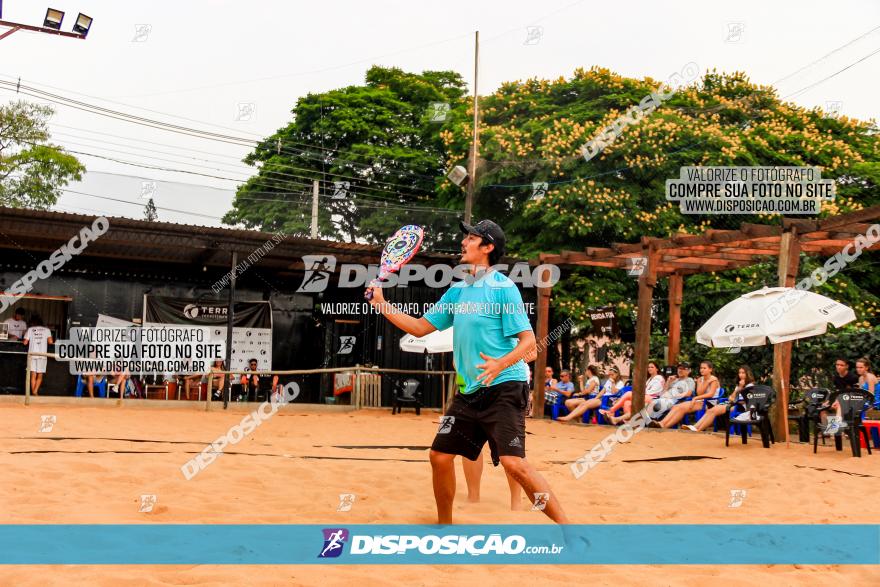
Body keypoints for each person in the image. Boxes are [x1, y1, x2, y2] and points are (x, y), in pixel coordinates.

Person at [367, 218, 568, 524]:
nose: (464, 242)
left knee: (515, 464)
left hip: (505, 387)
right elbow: (421, 328)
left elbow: (529, 342)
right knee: (439, 456)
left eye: (472, 238)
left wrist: (501, 362)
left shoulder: (504, 289)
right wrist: (381, 303)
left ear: (488, 247)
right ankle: (444, 527)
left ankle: (569, 529)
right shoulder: (458, 292)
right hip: (469, 393)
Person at [683, 365, 755, 432]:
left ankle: (699, 429)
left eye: (743, 373)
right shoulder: (739, 385)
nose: (741, 375)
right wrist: (739, 388)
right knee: (710, 410)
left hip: (742, 407)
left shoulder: (750, 385)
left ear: (748, 374)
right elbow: (731, 397)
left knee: (714, 410)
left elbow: (746, 400)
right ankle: (695, 426)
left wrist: (734, 399)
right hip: (733, 404)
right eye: (740, 373)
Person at [653, 361, 714, 428]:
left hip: (682, 401)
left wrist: (695, 397)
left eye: (683, 369)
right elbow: (663, 392)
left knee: (675, 406)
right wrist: (668, 381)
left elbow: (691, 394)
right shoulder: (675, 380)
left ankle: (662, 424)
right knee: (653, 402)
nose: (680, 370)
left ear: (688, 371)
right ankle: (661, 424)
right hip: (668, 399)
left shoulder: (690, 380)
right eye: (679, 368)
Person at [823, 358, 860, 435]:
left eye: (841, 365)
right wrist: (830, 401)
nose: (839, 367)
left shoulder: (853, 377)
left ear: (847, 366)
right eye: (837, 365)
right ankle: (826, 431)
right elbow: (837, 392)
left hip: (851, 400)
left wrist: (837, 401)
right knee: (823, 407)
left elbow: (852, 393)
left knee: (839, 405)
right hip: (840, 399)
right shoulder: (836, 378)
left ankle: (835, 430)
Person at [23, 315, 53, 396]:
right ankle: (35, 392)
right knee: (40, 375)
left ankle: (34, 393)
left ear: (32, 322)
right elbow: (50, 342)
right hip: (42, 355)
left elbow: (25, 342)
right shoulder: (47, 330)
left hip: (32, 355)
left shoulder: (30, 329)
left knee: (33, 375)